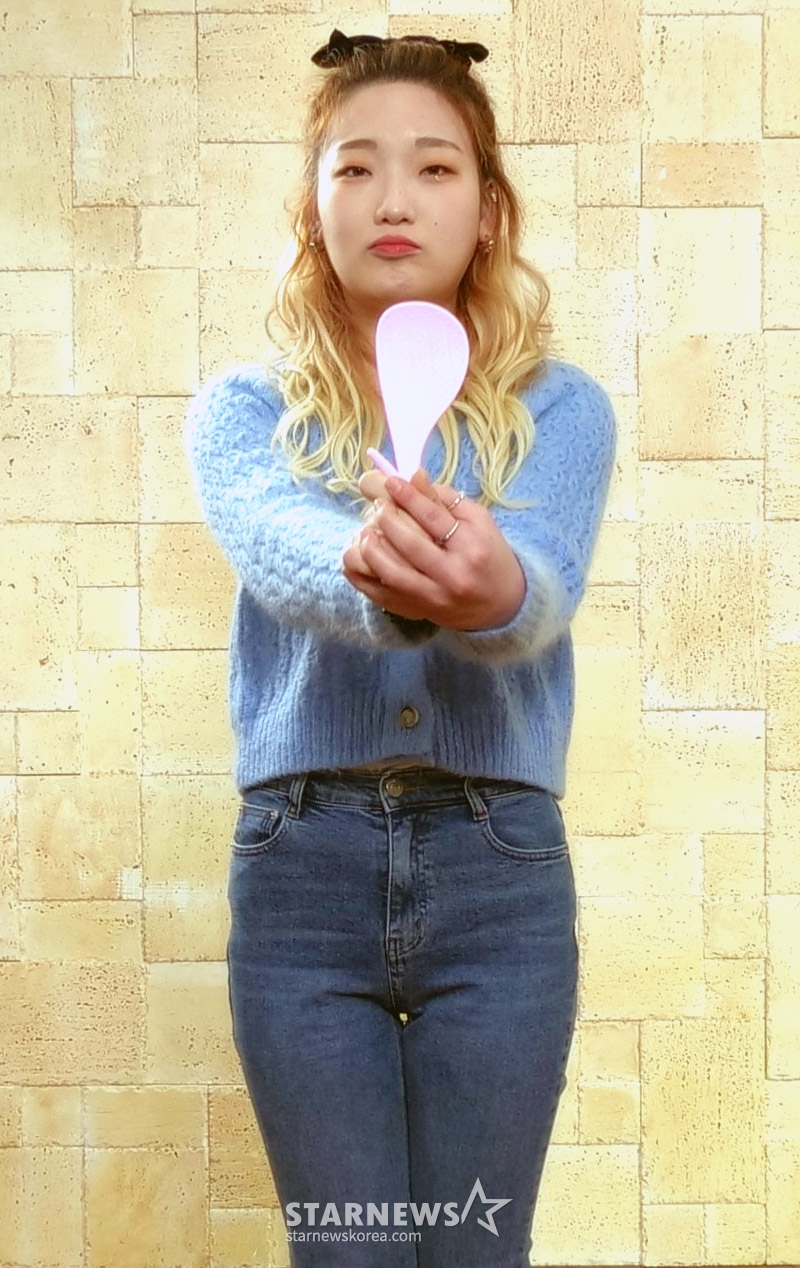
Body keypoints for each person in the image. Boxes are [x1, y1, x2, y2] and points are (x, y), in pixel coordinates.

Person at [185, 28, 616, 1268]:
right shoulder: (245, 413)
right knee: (350, 1253)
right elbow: (283, 547)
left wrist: (495, 590)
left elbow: (541, 581)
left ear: (487, 210)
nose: (390, 199)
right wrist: (401, 583)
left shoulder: (560, 408)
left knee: (478, 1250)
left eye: (432, 167)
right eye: (354, 167)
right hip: (300, 870)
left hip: (499, 871)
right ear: (312, 206)